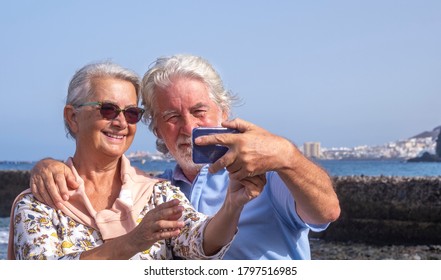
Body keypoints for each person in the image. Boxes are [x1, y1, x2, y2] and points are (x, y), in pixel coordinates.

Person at [29, 54, 340, 260]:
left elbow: (326, 211)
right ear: (155, 128)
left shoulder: (267, 174)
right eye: (172, 116)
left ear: (224, 113)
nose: (188, 127)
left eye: (199, 111)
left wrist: (287, 156)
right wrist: (48, 165)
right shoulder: (157, 190)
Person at [8, 61, 265, 260]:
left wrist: (233, 204)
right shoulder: (40, 203)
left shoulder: (158, 192)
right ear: (73, 117)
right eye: (107, 109)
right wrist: (132, 242)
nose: (120, 122)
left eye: (131, 113)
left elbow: (199, 243)